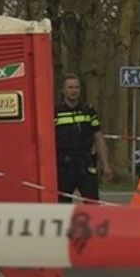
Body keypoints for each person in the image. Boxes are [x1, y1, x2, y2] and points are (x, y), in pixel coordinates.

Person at [54, 73, 112, 204]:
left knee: (92, 203)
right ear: (63, 90)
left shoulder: (88, 111)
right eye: (70, 87)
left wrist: (105, 165)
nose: (74, 91)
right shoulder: (55, 112)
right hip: (63, 166)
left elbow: (98, 138)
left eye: (76, 87)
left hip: (85, 164)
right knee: (62, 205)